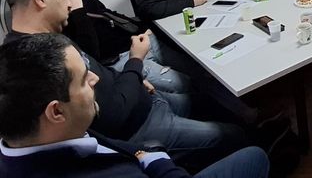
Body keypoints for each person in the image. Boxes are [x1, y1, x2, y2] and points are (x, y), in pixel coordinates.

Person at [4, 0, 249, 170]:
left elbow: (96, 66)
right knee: (234, 135)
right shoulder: (30, 62)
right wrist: (135, 62)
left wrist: (130, 76)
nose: (70, 3)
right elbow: (112, 115)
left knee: (211, 100)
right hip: (142, 125)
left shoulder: (51, 37)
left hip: (144, 97)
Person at [0, 34, 270, 178]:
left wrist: (146, 154)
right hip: (154, 154)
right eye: (83, 80)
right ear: (56, 111)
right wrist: (160, 163)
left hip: (147, 145)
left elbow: (105, 142)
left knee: (202, 96)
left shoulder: (52, 133)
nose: (94, 79)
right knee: (254, 155)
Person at [38, 0, 193, 94]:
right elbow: (90, 57)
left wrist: (141, 29)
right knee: (182, 84)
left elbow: (106, 13)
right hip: (118, 60)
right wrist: (78, 10)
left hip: (135, 42)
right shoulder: (58, 15)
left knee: (195, 68)